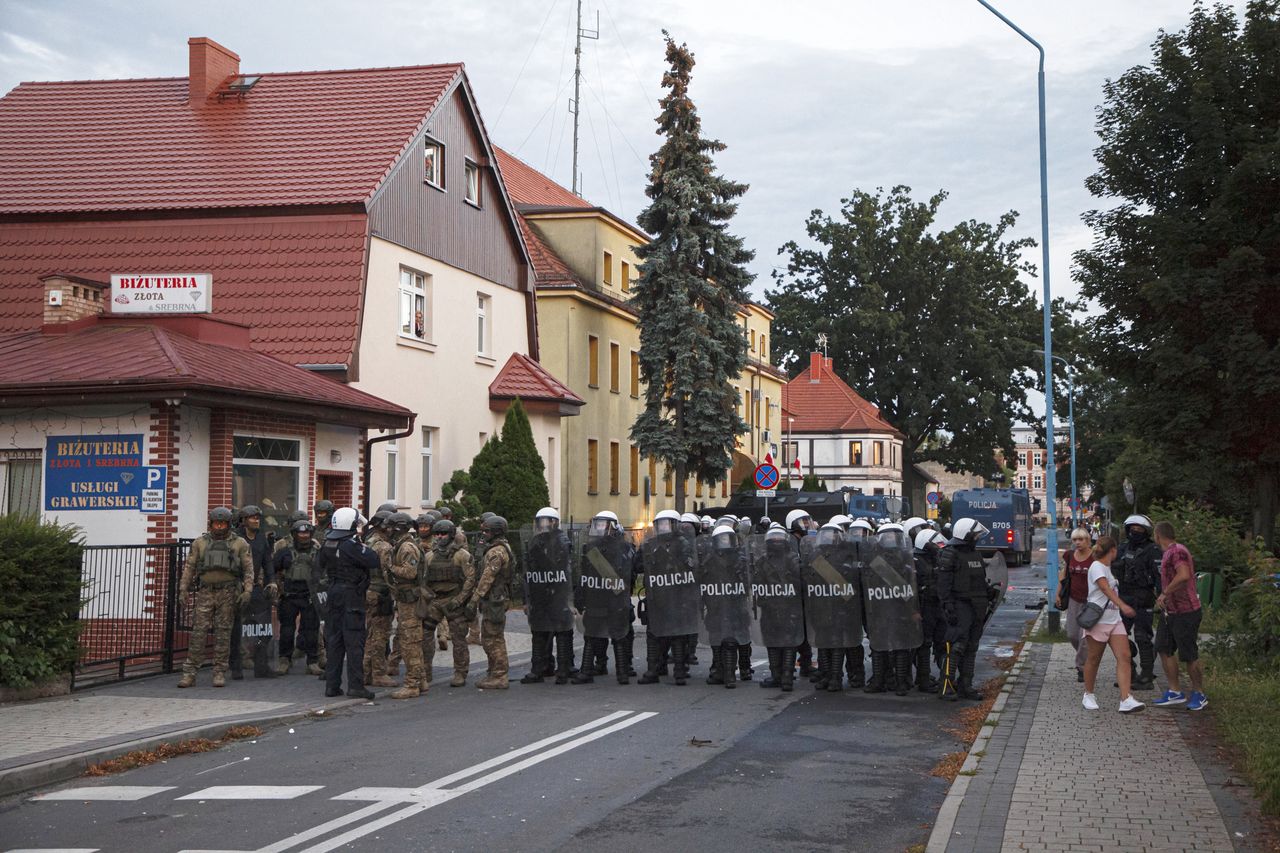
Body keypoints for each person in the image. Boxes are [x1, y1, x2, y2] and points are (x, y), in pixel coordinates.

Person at [178, 507, 255, 688]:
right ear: (211, 524)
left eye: (223, 523)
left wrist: (248, 591)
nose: (219, 527)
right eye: (216, 523)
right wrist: (183, 589)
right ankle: (190, 673)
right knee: (198, 632)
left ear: (229, 524)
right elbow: (189, 567)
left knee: (223, 633)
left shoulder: (240, 543)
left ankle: (219, 672)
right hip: (205, 592)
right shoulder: (199, 543)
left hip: (228, 593)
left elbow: (248, 569)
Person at [318, 507, 378, 700]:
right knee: (354, 642)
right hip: (351, 595)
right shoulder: (349, 546)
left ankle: (332, 686)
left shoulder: (328, 543)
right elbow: (373, 559)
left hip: (334, 592)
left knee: (335, 641)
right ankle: (356, 686)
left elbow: (319, 566)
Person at [1080, 536, 1145, 714]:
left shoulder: (1108, 569)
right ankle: (1089, 694)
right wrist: (1123, 605)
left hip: (1114, 619)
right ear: (1113, 550)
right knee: (1094, 658)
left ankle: (1126, 699)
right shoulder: (1096, 567)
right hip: (1098, 620)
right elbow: (1104, 588)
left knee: (1124, 656)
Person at [575, 510, 637, 685]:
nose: (600, 528)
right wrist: (580, 597)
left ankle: (623, 672)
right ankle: (587, 670)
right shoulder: (589, 548)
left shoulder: (624, 547)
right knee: (591, 635)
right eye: (598, 524)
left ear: (614, 527)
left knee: (619, 636)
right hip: (596, 598)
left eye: (604, 525)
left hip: (616, 600)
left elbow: (624, 575)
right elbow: (584, 575)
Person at [1152, 522, 1207, 711]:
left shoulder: (1177, 551)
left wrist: (1165, 592)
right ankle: (1175, 691)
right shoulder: (1168, 553)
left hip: (1186, 611)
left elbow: (1183, 575)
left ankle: (1198, 693)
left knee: (1189, 654)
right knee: (1163, 647)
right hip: (1171, 612)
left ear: (1158, 535)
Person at [936, 518, 993, 701]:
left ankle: (965, 685)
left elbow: (978, 580)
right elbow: (943, 585)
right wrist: (948, 606)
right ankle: (946, 686)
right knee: (956, 647)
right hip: (960, 606)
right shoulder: (950, 553)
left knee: (971, 647)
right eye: (974, 534)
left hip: (977, 606)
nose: (977, 537)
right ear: (965, 534)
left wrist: (988, 591)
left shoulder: (975, 554)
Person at [422, 519, 475, 687]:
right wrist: (428, 597)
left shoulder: (462, 555)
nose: (439, 537)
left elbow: (471, 579)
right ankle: (425, 671)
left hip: (454, 600)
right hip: (435, 601)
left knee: (459, 638)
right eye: (437, 534)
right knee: (425, 635)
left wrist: (460, 600)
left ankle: (460, 672)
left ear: (451, 535)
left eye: (443, 533)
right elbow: (423, 581)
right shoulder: (429, 556)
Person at [1114, 514, 1162, 690]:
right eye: (1132, 529)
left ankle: (1147, 676)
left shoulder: (1153, 550)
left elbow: (1159, 576)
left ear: (1146, 531)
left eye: (1139, 529)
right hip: (1124, 597)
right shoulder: (1122, 548)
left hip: (1144, 598)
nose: (1135, 532)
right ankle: (1129, 670)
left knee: (1143, 637)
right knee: (1118, 637)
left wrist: (1163, 596)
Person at [385, 512, 428, 700]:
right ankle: (422, 680)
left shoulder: (407, 547)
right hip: (405, 601)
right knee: (412, 642)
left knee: (410, 643)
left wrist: (390, 568)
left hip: (410, 602)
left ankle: (412, 685)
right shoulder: (402, 545)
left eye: (390, 527)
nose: (387, 530)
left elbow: (409, 572)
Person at [273, 519, 323, 675]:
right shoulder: (284, 552)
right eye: (301, 533)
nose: (304, 536)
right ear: (294, 534)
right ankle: (284, 660)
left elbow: (327, 572)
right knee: (287, 631)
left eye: (307, 532)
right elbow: (271, 571)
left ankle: (312, 662)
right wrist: (275, 589)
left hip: (309, 596)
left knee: (311, 631)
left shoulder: (318, 552)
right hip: (289, 596)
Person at [233, 505, 277, 679]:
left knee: (263, 630)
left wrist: (272, 581)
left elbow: (268, 562)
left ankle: (262, 665)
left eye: (258, 517)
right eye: (252, 517)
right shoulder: (235, 539)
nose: (256, 520)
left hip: (258, 588)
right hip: (238, 588)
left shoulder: (261, 539)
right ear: (244, 521)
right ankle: (236, 666)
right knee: (237, 629)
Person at [470, 515, 514, 689]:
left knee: (492, 638)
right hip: (496, 598)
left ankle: (499, 675)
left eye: (487, 531)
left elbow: (487, 578)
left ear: (496, 532)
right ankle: (493, 671)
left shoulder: (496, 551)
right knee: (491, 636)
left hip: (495, 599)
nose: (484, 534)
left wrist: (474, 600)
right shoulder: (499, 547)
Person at [361, 511, 398, 688]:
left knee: (371, 634)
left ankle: (366, 672)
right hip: (381, 593)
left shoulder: (368, 541)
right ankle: (378, 673)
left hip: (368, 592)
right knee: (380, 635)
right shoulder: (384, 547)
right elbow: (388, 574)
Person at [1055, 528, 1094, 682]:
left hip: (1091, 602)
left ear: (1088, 540)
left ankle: (1082, 668)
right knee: (1072, 634)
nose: (1078, 542)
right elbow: (1064, 575)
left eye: (1081, 539)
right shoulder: (1070, 555)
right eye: (1075, 540)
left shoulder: (1095, 557)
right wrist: (1058, 593)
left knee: (1084, 637)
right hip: (1073, 599)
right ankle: (1087, 659)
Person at [913, 528, 947, 693]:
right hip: (924, 607)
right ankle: (923, 679)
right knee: (925, 644)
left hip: (937, 606)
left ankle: (944, 678)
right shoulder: (916, 561)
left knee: (941, 642)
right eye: (935, 544)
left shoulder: (934, 558)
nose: (938, 546)